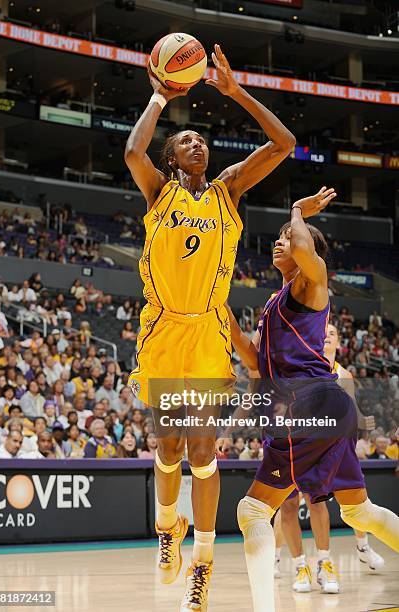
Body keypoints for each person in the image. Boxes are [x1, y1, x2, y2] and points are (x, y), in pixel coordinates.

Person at [125, 43, 295, 610]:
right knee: (168, 445)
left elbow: (284, 145)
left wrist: (235, 91)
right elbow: (132, 151)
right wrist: (159, 93)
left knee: (202, 450)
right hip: (162, 329)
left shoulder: (227, 191)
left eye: (202, 138)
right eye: (186, 140)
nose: (197, 141)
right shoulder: (161, 190)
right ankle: (164, 528)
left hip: (206, 335)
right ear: (173, 157)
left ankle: (202, 562)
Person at [221, 188, 399, 612]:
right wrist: (218, 309)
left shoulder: (313, 284)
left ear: (308, 251)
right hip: (323, 407)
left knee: (251, 511)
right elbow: (253, 359)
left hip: (308, 403)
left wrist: (298, 211)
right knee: (358, 513)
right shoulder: (274, 302)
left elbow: (302, 242)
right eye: (280, 236)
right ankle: (309, 566)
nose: (281, 241)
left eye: (288, 236)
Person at [277, 323, 384, 594]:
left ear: (338, 343)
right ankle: (293, 563)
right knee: (288, 506)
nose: (325, 337)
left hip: (333, 448)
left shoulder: (344, 375)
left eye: (332, 334)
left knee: (342, 503)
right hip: (296, 443)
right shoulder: (299, 366)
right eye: (322, 333)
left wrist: (364, 425)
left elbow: (353, 413)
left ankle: (343, 555)